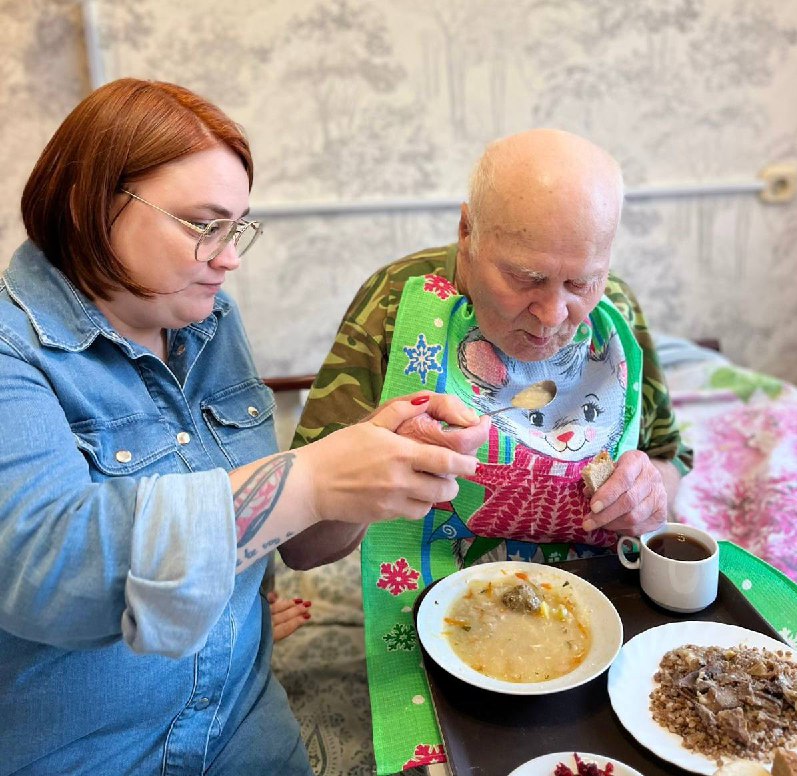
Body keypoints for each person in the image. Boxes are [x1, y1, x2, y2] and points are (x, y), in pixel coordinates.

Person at [0, 78, 488, 776]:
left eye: (238, 229)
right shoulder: (14, 351)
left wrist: (375, 459)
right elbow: (45, 571)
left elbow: (295, 544)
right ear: (92, 205)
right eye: (205, 226)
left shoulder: (206, 321)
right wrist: (310, 479)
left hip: (237, 722)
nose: (229, 258)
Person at [293, 128, 692, 562]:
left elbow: (668, 457)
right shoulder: (396, 301)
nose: (553, 315)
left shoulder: (617, 309)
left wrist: (651, 492)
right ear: (468, 232)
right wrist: (374, 454)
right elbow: (301, 548)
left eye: (582, 282)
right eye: (527, 279)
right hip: (437, 600)